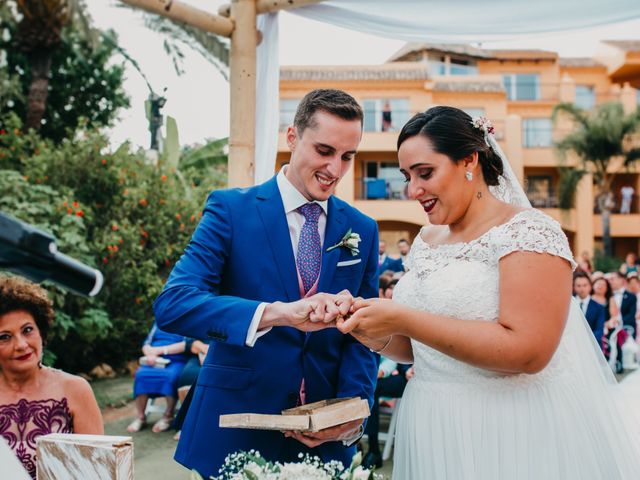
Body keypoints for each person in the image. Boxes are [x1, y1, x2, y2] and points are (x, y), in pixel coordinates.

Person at [337, 106, 640, 478]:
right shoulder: (427, 240)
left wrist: (403, 316)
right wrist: (368, 328)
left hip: (506, 426)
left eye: (425, 173)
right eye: (406, 176)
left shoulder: (529, 233)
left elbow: (529, 352)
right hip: (432, 422)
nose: (413, 190)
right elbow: (418, 347)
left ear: (469, 160)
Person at [153, 89, 379, 477]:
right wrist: (277, 314)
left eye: (347, 156)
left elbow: (366, 333)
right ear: (292, 137)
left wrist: (353, 410)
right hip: (234, 430)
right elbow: (174, 303)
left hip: (323, 444)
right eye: (324, 150)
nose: (336, 169)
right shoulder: (230, 210)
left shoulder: (362, 229)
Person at [0, 276, 103, 479]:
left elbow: (99, 469)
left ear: (41, 332)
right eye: (4, 336)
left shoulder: (75, 389)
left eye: (27, 330)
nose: (21, 344)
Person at [126, 322, 187, 434]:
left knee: (170, 376)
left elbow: (187, 344)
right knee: (141, 375)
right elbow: (147, 343)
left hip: (176, 360)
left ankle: (168, 416)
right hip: (154, 360)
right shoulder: (159, 322)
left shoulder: (186, 321)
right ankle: (141, 417)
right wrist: (149, 354)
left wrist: (160, 350)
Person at [573, 272, 605, 345]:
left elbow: (599, 330)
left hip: (592, 344)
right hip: (572, 344)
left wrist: (585, 342)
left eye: (585, 285)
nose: (582, 288)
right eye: (578, 286)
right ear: (574, 287)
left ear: (590, 286)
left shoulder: (599, 307)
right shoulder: (569, 305)